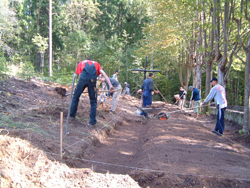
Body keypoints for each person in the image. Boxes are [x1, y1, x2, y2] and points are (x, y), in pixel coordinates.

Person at [70, 58, 113, 127]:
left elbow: (80, 75)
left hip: (82, 80)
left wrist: (80, 85)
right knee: (93, 101)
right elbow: (104, 73)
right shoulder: (96, 63)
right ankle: (92, 122)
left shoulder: (82, 62)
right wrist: (110, 85)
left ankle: (72, 116)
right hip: (93, 81)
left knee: (75, 98)